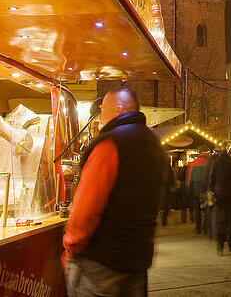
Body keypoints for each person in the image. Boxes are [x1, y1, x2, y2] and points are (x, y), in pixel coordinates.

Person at [63, 88, 168, 297]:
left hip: (101, 264)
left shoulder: (110, 144)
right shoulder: (154, 144)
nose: (100, 117)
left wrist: (71, 245)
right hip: (138, 260)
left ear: (119, 109)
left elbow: (87, 207)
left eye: (103, 110)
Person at [206, 147, 231, 254]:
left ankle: (220, 245)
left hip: (218, 193)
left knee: (219, 219)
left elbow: (211, 178)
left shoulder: (215, 162)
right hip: (229, 193)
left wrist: (210, 190)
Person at [186, 150, 211, 234]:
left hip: (196, 189)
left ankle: (198, 227)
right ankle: (206, 227)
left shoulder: (193, 163)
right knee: (207, 209)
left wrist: (189, 190)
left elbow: (189, 178)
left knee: (197, 210)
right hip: (206, 189)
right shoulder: (209, 162)